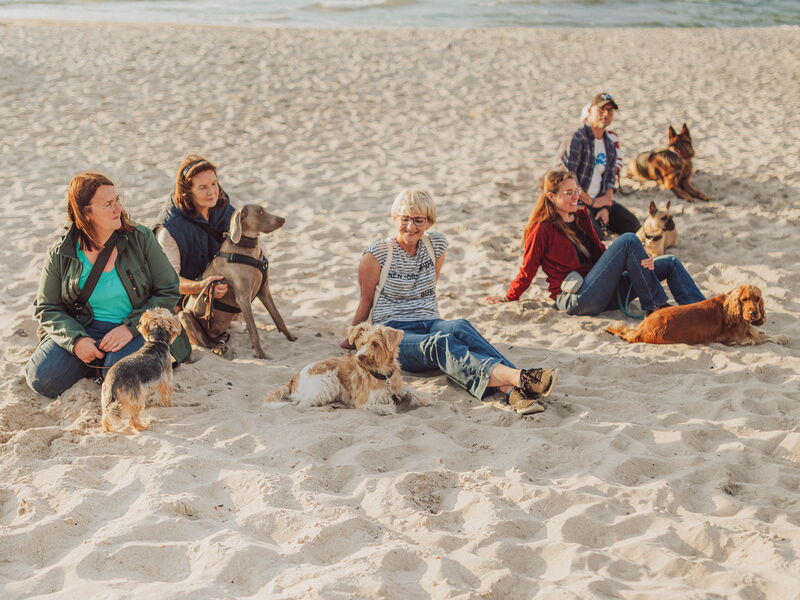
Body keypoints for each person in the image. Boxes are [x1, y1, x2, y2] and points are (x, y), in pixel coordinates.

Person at [342, 188, 558, 415]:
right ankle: (520, 377)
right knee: (440, 342)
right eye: (404, 219)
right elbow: (365, 301)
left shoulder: (436, 246)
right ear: (395, 218)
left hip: (429, 321)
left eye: (418, 220)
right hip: (394, 333)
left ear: (429, 222)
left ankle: (513, 391)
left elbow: (428, 289)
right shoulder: (376, 254)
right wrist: (350, 342)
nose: (410, 226)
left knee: (460, 326)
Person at [26, 172, 191, 399]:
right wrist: (75, 340)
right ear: (87, 213)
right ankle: (91, 362)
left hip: (135, 327)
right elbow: (47, 307)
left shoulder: (141, 238)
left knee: (120, 374)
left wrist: (130, 327)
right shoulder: (60, 252)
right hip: (83, 327)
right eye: (108, 204)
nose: (118, 209)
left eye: (117, 200)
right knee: (42, 379)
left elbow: (168, 289)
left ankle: (101, 364)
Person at [485, 170, 705, 317]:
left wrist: (638, 262)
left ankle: (703, 311)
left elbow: (602, 255)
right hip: (577, 298)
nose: (575, 197)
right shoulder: (542, 229)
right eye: (568, 193)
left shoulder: (581, 216)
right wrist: (508, 298)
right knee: (628, 239)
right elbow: (528, 268)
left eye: (577, 191)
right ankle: (656, 307)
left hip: (603, 290)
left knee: (670, 263)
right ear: (551, 197)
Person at [154, 155, 235, 301]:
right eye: (202, 187)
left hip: (223, 296)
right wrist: (202, 287)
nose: (211, 192)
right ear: (187, 193)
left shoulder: (225, 210)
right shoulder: (170, 229)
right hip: (182, 301)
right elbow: (169, 282)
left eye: (214, 184)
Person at [559, 93, 639, 239]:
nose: (606, 114)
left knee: (634, 226)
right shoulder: (576, 137)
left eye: (610, 110)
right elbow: (566, 178)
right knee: (596, 236)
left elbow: (610, 178)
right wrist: (592, 202)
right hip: (577, 201)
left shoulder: (609, 142)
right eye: (601, 110)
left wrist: (605, 206)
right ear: (590, 111)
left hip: (598, 201)